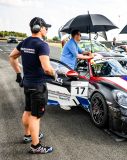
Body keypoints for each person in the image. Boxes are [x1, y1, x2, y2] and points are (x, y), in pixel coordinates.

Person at [9, 17, 56, 153]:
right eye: (46, 28)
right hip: (38, 86)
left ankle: (28, 136)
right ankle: (36, 146)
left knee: (28, 111)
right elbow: (47, 68)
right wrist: (54, 74)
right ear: (40, 28)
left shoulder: (25, 42)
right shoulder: (42, 44)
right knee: (36, 116)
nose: (47, 30)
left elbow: (12, 56)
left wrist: (18, 74)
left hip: (28, 84)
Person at [59, 30, 95, 110]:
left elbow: (81, 51)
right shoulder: (71, 43)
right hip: (65, 67)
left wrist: (89, 52)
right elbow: (77, 55)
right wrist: (89, 57)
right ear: (76, 35)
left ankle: (69, 101)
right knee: (67, 84)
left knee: (71, 84)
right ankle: (63, 103)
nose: (81, 36)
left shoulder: (74, 43)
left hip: (69, 67)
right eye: (80, 35)